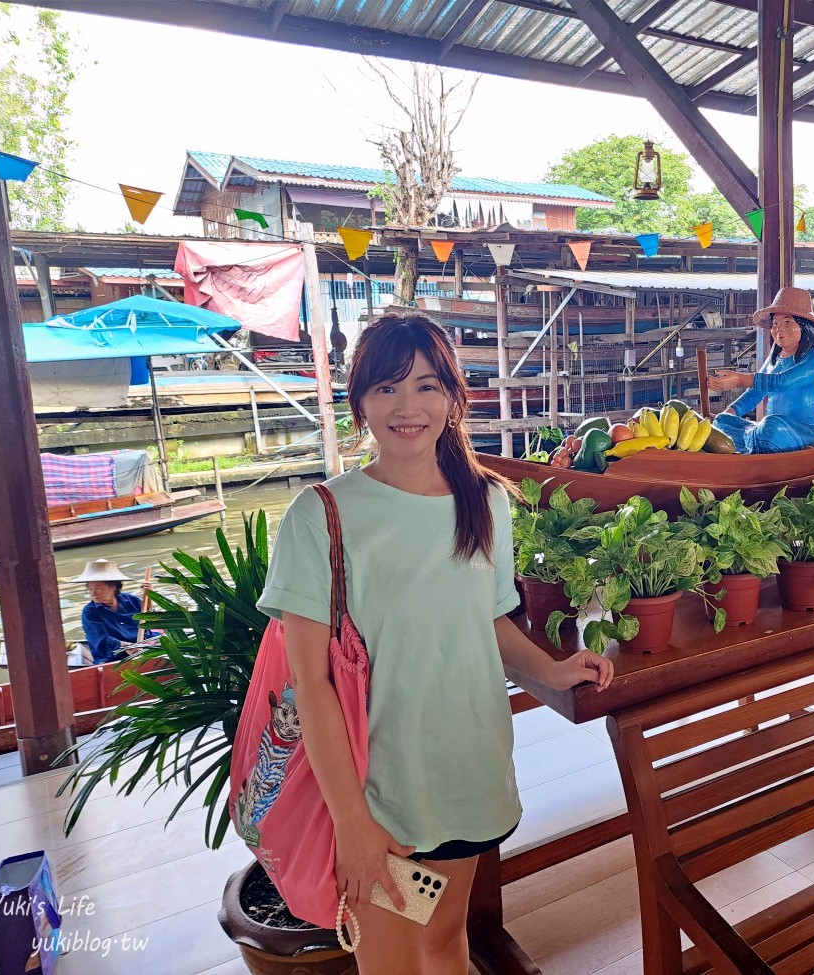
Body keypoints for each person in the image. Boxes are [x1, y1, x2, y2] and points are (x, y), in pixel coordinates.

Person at [257, 314, 613, 974]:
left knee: (445, 943)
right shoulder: (322, 516)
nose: (408, 407)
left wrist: (554, 669)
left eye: (426, 385)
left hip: (466, 775)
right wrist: (354, 822)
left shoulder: (486, 502)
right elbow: (310, 684)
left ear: (453, 396)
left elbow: (489, 621)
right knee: (394, 964)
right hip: (378, 793)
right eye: (386, 387)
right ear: (359, 399)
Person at [708, 287, 814, 454]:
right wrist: (729, 414)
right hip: (772, 430)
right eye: (775, 323)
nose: (778, 329)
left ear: (805, 327)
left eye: (787, 322)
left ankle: (755, 441)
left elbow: (781, 382)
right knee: (721, 422)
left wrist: (739, 379)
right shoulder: (773, 360)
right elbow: (755, 393)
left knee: (771, 427)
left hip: (810, 432)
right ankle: (755, 440)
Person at [72, 559, 153, 664]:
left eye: (98, 588)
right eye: (90, 589)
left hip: (144, 646)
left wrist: (150, 595)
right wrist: (126, 647)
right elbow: (101, 641)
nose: (93, 593)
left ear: (113, 587)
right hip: (115, 657)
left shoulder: (131, 600)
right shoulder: (90, 612)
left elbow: (150, 618)